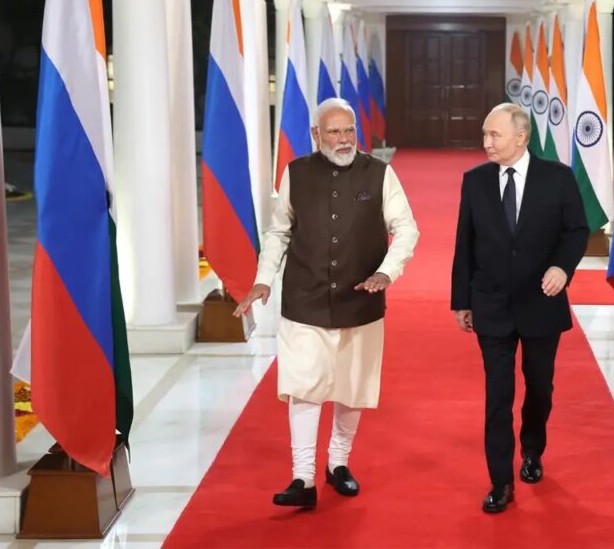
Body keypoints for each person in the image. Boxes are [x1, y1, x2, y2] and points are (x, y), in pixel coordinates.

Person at [235, 97, 419, 509]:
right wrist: (263, 279)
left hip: (361, 301)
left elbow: (407, 228)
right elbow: (279, 232)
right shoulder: (296, 173)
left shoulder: (380, 173)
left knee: (352, 387)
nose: (343, 139)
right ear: (316, 135)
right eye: (333, 132)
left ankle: (338, 464)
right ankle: (302, 477)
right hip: (305, 299)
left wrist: (387, 272)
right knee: (304, 385)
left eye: (348, 130)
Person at [450, 102, 588, 514]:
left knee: (539, 387)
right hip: (491, 303)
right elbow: (465, 243)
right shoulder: (475, 181)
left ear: (521, 137)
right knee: (498, 394)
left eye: (494, 135)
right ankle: (501, 481)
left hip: (541, 302)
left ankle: (532, 450)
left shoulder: (558, 178)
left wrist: (562, 268)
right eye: (485, 134)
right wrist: (461, 301)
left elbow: (576, 230)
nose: (486, 142)